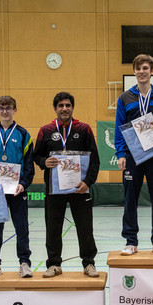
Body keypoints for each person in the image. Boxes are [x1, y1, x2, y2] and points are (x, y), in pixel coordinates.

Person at [33, 92, 100, 278]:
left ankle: (88, 263)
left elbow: (94, 160)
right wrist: (44, 162)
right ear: (55, 108)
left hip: (80, 188)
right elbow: (36, 155)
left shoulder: (84, 129)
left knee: (85, 227)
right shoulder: (45, 130)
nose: (64, 108)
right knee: (53, 228)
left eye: (68, 105)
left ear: (72, 108)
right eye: (61, 105)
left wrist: (88, 182)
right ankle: (54, 264)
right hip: (54, 189)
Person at [115, 54, 153, 255]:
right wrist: (120, 153)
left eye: (145, 68)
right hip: (132, 155)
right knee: (130, 199)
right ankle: (131, 241)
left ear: (152, 71)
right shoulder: (125, 97)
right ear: (134, 72)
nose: (142, 72)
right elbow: (119, 127)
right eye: (138, 68)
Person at [0, 95, 35, 278]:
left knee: (21, 228)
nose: (5, 111)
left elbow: (29, 165)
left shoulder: (24, 135)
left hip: (17, 190)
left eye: (8, 108)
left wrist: (24, 184)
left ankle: (24, 263)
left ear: (14, 110)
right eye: (1, 108)